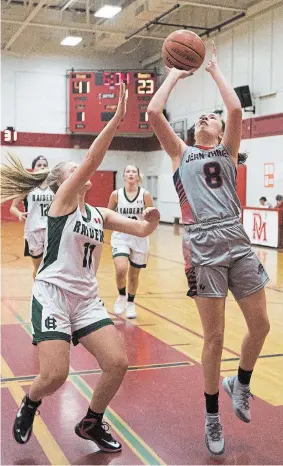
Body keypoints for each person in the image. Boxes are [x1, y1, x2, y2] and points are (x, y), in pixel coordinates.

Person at [1, 84, 160, 452]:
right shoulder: (62, 202)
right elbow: (91, 159)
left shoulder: (99, 213)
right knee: (55, 375)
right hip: (54, 295)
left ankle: (91, 421)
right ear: (63, 182)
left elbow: (140, 229)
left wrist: (150, 220)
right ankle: (30, 402)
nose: (82, 170)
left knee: (117, 363)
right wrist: (116, 121)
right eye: (73, 170)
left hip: (86, 299)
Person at [148, 42, 270, 455]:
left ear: (219, 131)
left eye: (210, 117)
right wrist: (174, 74)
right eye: (199, 117)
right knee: (214, 337)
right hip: (200, 244)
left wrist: (214, 69)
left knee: (261, 326)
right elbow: (151, 114)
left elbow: (235, 110)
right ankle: (213, 416)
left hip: (235, 238)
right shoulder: (179, 153)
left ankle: (242, 382)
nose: (206, 117)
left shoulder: (227, 150)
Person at [108, 165, 153, 319]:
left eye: (134, 171)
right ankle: (121, 295)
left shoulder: (145, 195)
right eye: (128, 171)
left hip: (139, 237)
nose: (131, 174)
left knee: (134, 275)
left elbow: (153, 217)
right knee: (121, 269)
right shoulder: (116, 195)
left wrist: (148, 215)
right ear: (124, 176)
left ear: (139, 176)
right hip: (121, 236)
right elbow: (108, 215)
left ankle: (131, 303)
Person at [9, 155, 54, 279]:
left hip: (52, 230)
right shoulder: (28, 187)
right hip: (34, 230)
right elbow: (12, 207)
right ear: (33, 169)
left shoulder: (54, 187)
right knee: (38, 267)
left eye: (45, 165)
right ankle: (37, 291)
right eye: (39, 165)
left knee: (51, 266)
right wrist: (19, 214)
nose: (42, 167)